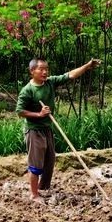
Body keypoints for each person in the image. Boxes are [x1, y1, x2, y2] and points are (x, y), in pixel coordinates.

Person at [16, 57, 100, 203]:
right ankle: (34, 195)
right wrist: (39, 114)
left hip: (47, 128)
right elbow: (20, 111)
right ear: (32, 71)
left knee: (50, 161)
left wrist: (87, 66)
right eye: (41, 69)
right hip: (34, 131)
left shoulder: (49, 82)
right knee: (36, 165)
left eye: (46, 69)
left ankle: (43, 188)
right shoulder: (27, 91)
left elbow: (70, 75)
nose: (44, 72)